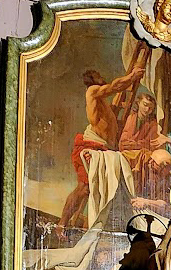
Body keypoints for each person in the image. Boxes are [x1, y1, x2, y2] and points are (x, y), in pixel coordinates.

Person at [60, 62, 144, 229]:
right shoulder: (93, 91)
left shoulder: (101, 100)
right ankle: (61, 224)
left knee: (93, 189)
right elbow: (114, 86)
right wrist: (132, 76)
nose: (102, 78)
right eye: (98, 76)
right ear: (93, 79)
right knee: (84, 188)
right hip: (91, 146)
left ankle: (84, 224)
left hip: (102, 148)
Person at [118, 88, 171, 203]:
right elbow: (123, 143)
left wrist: (141, 145)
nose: (147, 109)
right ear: (138, 103)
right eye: (145, 105)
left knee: (151, 162)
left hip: (142, 153)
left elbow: (151, 144)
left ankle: (147, 197)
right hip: (128, 154)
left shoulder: (152, 123)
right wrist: (141, 145)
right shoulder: (131, 118)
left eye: (150, 108)